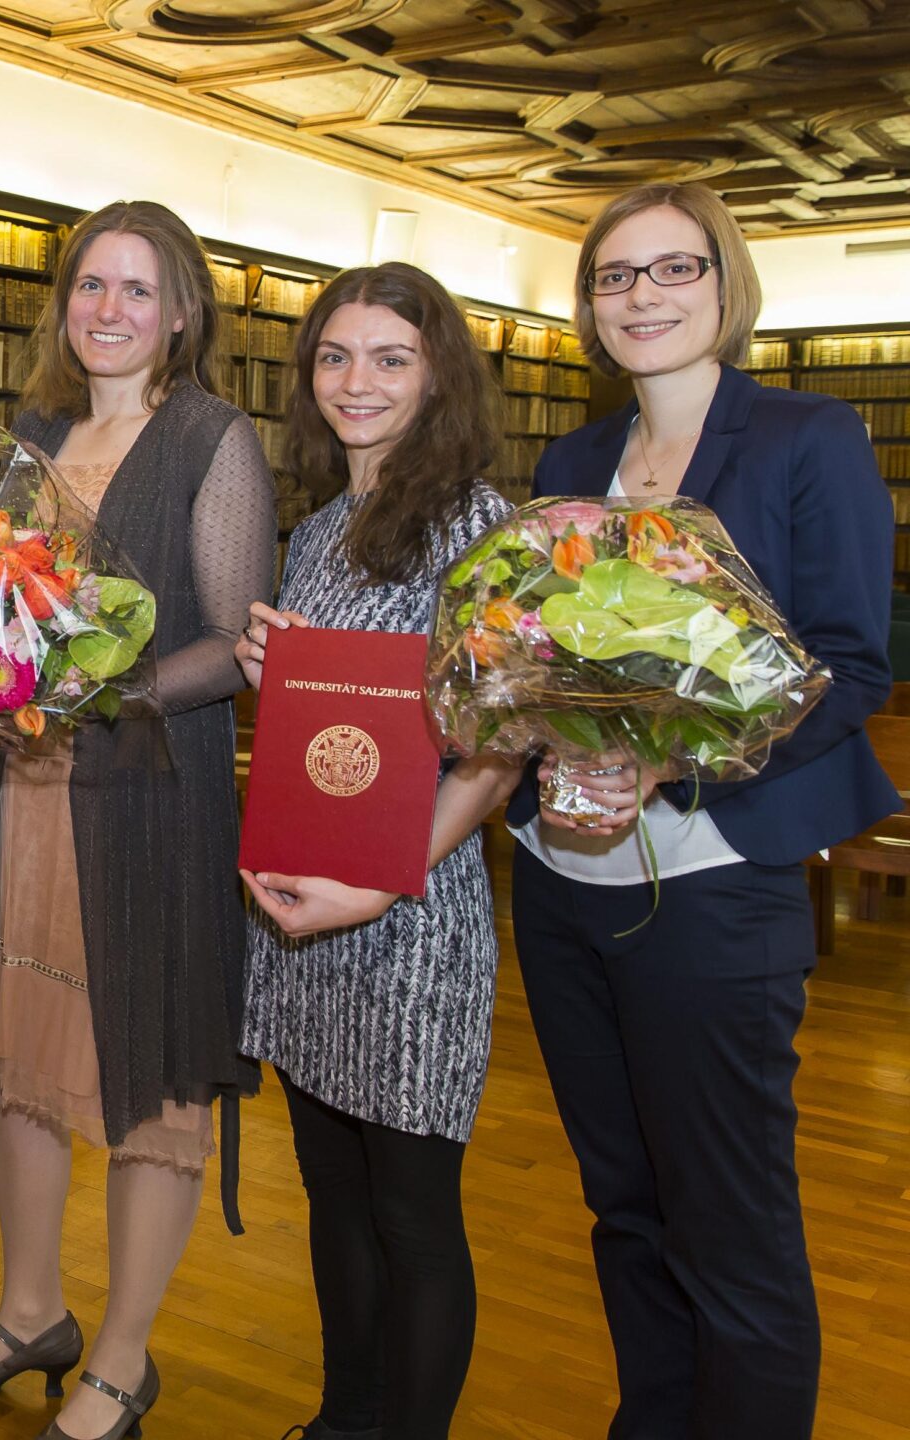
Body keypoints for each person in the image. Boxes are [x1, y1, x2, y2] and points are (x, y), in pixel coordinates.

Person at [507, 183, 893, 1440]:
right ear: (589, 305)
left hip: (718, 877)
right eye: (615, 275)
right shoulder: (569, 464)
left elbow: (848, 664)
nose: (643, 296)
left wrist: (669, 766)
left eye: (674, 268)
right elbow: (544, 655)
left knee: (730, 1224)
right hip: (564, 881)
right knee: (623, 1206)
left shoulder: (805, 436)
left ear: (725, 283)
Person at [0, 199, 275, 1440]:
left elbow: (234, 643)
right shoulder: (24, 437)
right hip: (18, 798)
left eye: (136, 289)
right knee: (19, 1058)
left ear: (180, 312)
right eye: (88, 285)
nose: (107, 310)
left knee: (151, 1075)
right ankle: (29, 1313)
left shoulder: (214, 439)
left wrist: (96, 690)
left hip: (151, 799)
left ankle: (121, 1357)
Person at [228, 262, 525, 1440]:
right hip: (303, 915)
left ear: (437, 375)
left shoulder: (479, 532)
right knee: (333, 1198)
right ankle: (342, 1418)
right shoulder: (311, 535)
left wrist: (376, 884)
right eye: (335, 356)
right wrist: (269, 677)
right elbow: (335, 737)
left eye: (390, 358)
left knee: (411, 1216)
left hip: (410, 921)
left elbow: (494, 758)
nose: (357, 381)